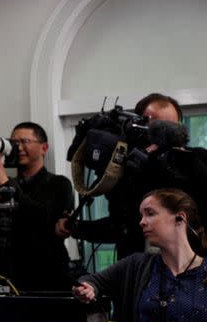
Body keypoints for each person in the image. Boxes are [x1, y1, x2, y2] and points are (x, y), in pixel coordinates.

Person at [59, 92, 207, 259]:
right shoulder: (129, 167)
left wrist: (167, 160)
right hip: (138, 270)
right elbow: (121, 226)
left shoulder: (196, 160)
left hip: (190, 268)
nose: (161, 135)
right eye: (153, 127)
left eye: (169, 128)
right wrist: (78, 228)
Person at [73, 188, 207, 322]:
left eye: (150, 213)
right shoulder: (137, 265)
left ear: (180, 218)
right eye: (141, 215)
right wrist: (87, 288)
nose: (142, 222)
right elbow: (92, 281)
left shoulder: (203, 273)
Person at [0, 122, 74, 291]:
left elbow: (45, 219)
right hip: (4, 273)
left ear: (44, 148)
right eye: (14, 143)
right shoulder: (4, 185)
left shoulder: (59, 183)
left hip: (45, 276)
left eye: (25, 141)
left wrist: (4, 181)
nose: (19, 147)